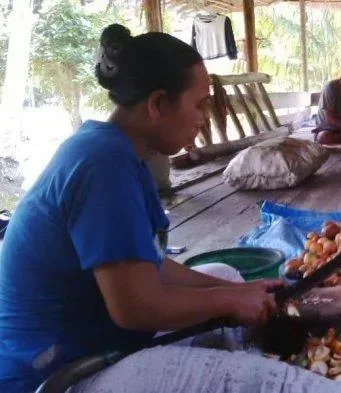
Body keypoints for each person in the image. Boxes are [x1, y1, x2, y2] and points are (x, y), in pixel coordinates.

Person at [0, 24, 283, 392]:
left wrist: (239, 292)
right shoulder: (103, 164)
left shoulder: (118, 153)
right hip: (53, 376)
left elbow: (148, 263)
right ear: (158, 105)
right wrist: (229, 300)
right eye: (198, 105)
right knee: (261, 380)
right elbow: (135, 308)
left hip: (92, 344)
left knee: (227, 275)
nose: (203, 118)